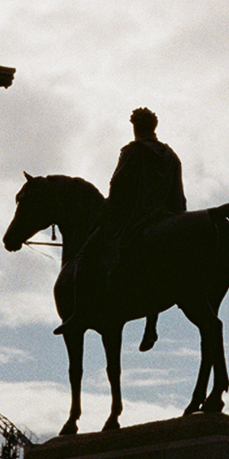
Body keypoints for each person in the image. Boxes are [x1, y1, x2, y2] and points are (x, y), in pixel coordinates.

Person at [57, 108, 184, 349]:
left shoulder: (133, 152)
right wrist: (177, 219)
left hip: (132, 219)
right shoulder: (171, 156)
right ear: (153, 127)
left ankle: (79, 315)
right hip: (163, 218)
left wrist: (105, 210)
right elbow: (178, 195)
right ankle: (151, 327)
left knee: (84, 257)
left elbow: (118, 185)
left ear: (136, 127)